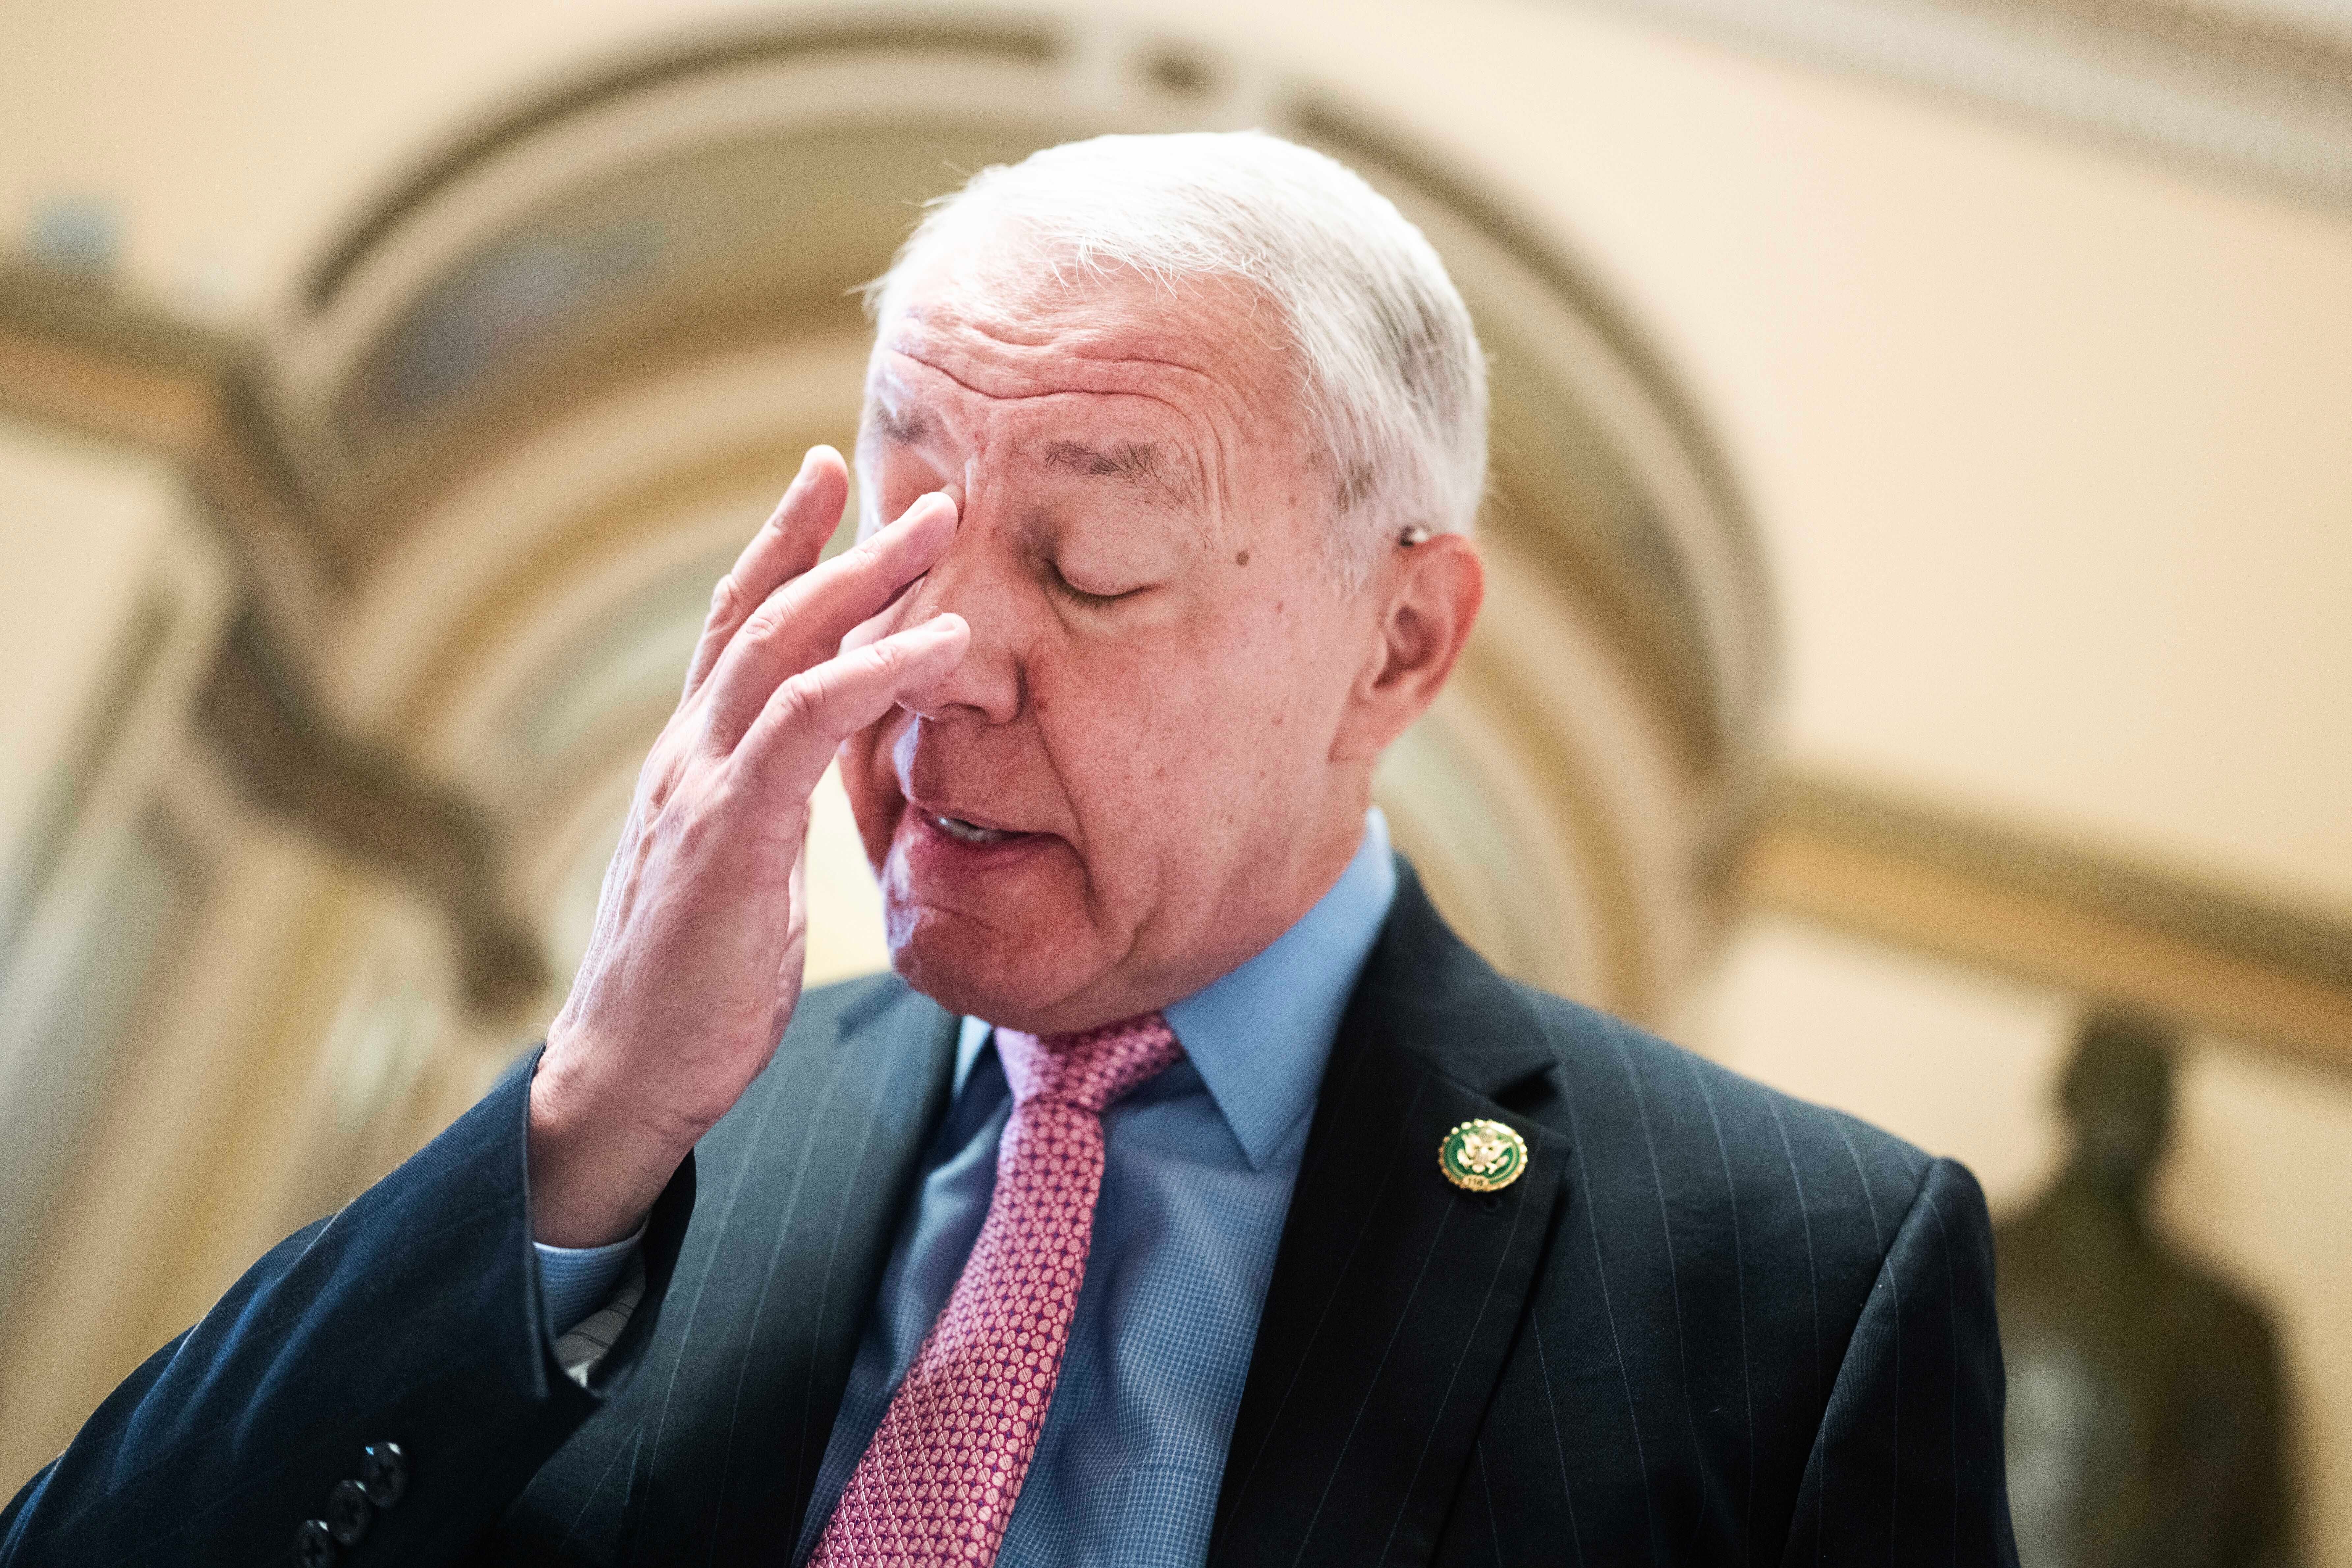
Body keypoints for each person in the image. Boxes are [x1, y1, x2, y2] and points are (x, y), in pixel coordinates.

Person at [0, 131, 2015, 1567]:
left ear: (1397, 642)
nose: (936, 672)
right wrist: (589, 1108)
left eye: (1089, 564)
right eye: (906, 541)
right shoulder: (648, 1138)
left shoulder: (1795, 1285)